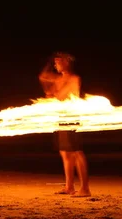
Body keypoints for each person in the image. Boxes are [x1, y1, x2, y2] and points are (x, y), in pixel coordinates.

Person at [39, 52, 91, 197]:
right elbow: (43, 77)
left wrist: (52, 94)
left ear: (67, 62)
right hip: (61, 118)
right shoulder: (58, 79)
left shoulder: (74, 79)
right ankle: (69, 186)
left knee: (76, 151)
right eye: (55, 62)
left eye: (58, 61)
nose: (56, 64)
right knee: (65, 152)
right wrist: (49, 64)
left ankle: (85, 188)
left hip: (72, 118)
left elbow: (63, 96)